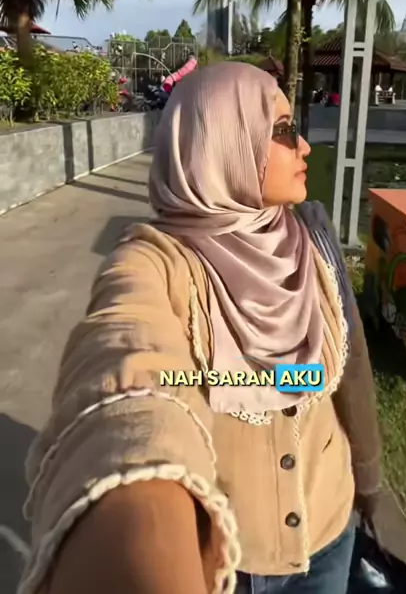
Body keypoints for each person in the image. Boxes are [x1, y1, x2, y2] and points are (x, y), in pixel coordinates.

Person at [20, 63, 381, 594]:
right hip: (231, 564)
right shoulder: (157, 263)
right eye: (283, 130)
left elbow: (352, 368)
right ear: (223, 142)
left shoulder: (312, 235)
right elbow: (126, 359)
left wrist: (369, 478)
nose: (304, 146)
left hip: (331, 532)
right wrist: (137, 494)